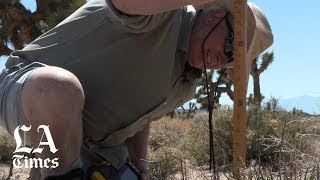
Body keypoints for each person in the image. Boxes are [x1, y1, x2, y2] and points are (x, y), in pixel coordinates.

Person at [0, 0, 273, 179]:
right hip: (28, 92)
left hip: (98, 145)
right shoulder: (161, 15)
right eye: (230, 47)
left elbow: (142, 116)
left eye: (233, 60)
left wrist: (139, 161)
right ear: (214, 15)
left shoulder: (187, 82)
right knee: (59, 90)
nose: (224, 60)